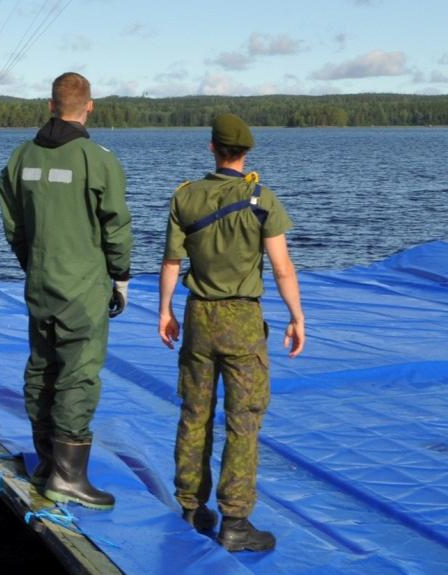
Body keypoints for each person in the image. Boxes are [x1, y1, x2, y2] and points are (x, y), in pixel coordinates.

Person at [158, 113, 305, 551]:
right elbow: (281, 268)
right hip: (242, 321)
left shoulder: (186, 198)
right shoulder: (263, 201)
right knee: (243, 421)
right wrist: (297, 317)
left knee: (194, 414)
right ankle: (235, 522)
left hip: (199, 317)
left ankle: (190, 506)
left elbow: (171, 263)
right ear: (246, 152)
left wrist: (164, 310)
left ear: (212, 148)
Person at [0, 72, 132, 510]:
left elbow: (12, 223)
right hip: (82, 289)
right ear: (89, 106)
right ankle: (69, 478)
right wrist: (121, 276)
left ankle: (45, 462)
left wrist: (33, 264)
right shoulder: (98, 159)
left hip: (40, 285)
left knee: (41, 367)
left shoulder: (21, 158)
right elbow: (116, 226)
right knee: (77, 374)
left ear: (50, 105)